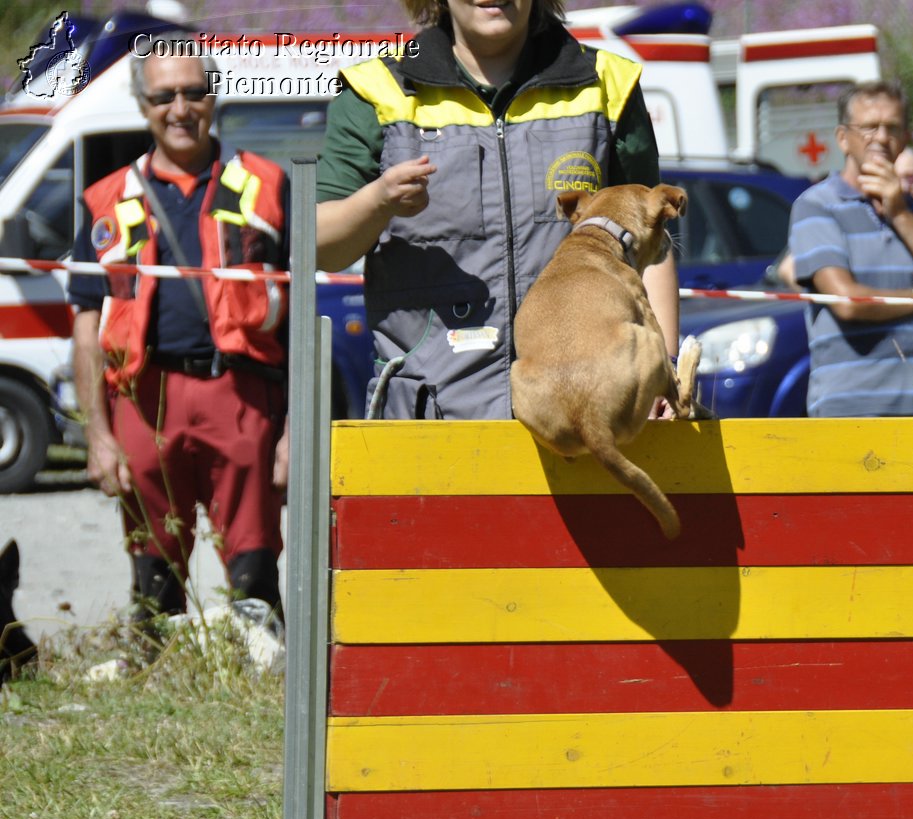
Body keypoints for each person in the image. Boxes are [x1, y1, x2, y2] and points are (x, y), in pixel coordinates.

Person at [315, 0, 672, 420]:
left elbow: (653, 245)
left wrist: (658, 375)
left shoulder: (608, 85)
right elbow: (321, 247)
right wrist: (376, 202)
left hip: (584, 415)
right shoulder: (374, 91)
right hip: (429, 426)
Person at [69, 41, 290, 628]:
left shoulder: (268, 185)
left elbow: (299, 314)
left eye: (194, 92)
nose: (180, 109)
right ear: (143, 105)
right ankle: (157, 671)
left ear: (213, 98)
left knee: (254, 559)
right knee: (152, 564)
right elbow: (87, 325)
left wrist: (294, 430)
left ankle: (260, 673)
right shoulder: (106, 200)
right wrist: (98, 435)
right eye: (164, 96)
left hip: (240, 397)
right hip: (144, 401)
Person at [787, 82, 913, 416]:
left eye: (892, 128)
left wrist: (900, 212)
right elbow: (845, 301)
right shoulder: (816, 205)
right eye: (869, 127)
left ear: (905, 139)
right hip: (847, 412)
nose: (881, 137)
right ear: (843, 138)